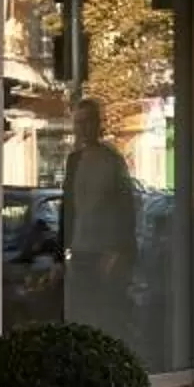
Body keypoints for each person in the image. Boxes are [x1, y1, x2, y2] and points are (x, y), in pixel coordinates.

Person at [60, 98, 137, 345]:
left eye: (87, 121)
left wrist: (118, 251)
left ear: (97, 124)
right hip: (80, 252)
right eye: (78, 122)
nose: (82, 128)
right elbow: (67, 208)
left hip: (105, 254)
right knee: (80, 318)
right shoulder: (74, 161)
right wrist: (59, 254)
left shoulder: (112, 160)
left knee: (107, 319)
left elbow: (127, 209)